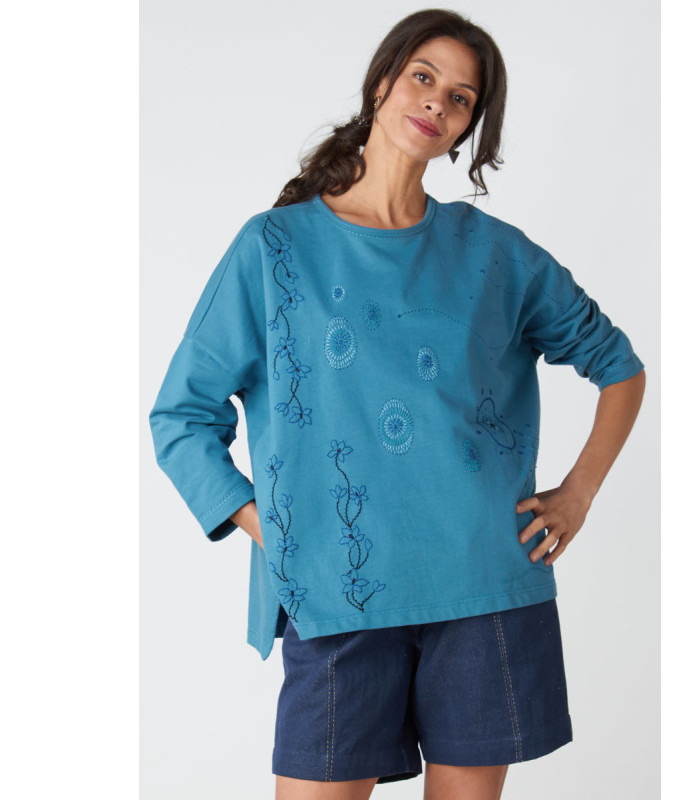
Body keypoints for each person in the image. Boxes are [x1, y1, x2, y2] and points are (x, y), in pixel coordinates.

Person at [148, 8, 646, 799]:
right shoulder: (273, 248)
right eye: (423, 77)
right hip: (337, 591)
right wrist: (265, 523)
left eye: (461, 97)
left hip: (482, 586)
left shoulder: (495, 254)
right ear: (381, 84)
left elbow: (618, 365)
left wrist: (579, 493)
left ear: (467, 127)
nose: (438, 102)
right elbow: (181, 417)